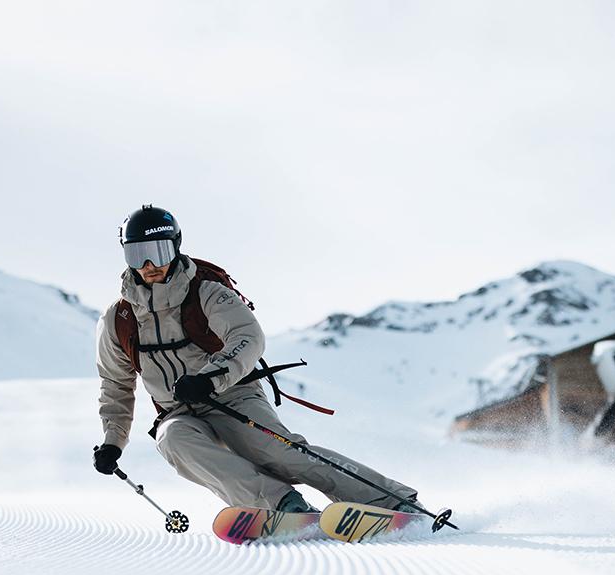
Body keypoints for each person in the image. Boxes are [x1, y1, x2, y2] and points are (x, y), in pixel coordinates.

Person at [92, 204, 422, 514]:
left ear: (175, 247)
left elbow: (248, 337)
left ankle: (389, 500)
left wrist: (209, 378)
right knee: (172, 439)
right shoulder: (117, 318)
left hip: (231, 394)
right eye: (138, 254)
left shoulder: (205, 291)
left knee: (278, 453)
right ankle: (282, 506)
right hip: (177, 411)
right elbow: (116, 385)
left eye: (158, 252)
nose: (149, 265)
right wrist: (112, 442)